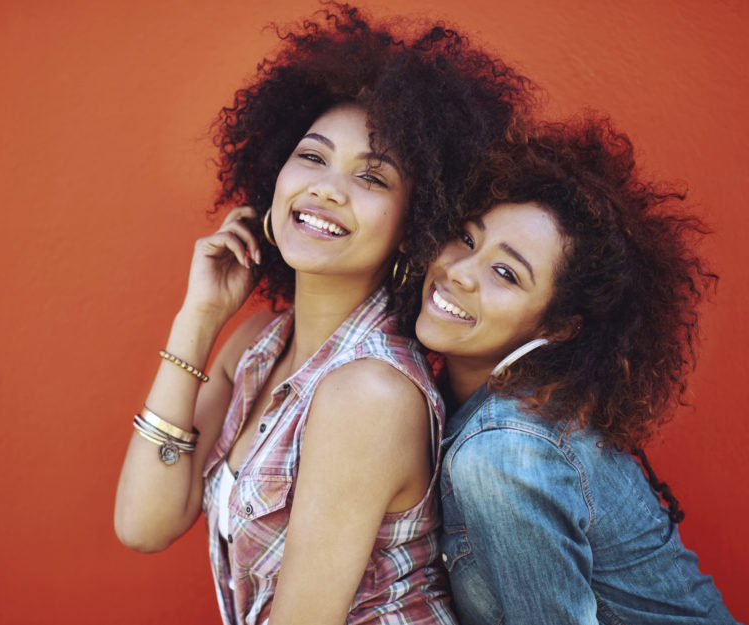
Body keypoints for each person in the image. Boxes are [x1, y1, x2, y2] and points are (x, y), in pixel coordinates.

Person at [113, 5, 531, 624]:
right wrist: (199, 319)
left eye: (372, 177)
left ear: (415, 225)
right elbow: (143, 524)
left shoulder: (370, 394)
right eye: (312, 157)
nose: (328, 188)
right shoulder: (257, 345)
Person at [414, 117, 738, 624]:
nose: (458, 271)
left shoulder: (503, 453)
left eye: (506, 273)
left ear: (561, 326)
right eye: (467, 239)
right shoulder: (462, 405)